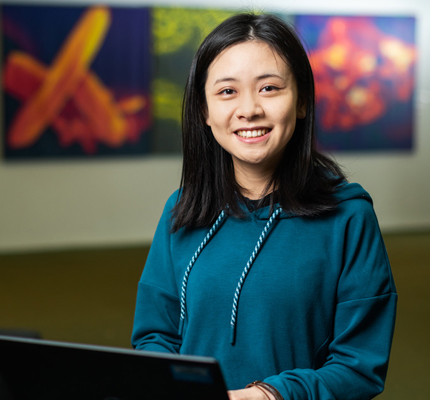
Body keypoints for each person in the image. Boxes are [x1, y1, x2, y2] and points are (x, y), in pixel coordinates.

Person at [131, 12, 397, 400]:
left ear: (302, 101)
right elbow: (155, 335)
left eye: (269, 88)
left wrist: (267, 396)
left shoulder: (349, 216)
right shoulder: (182, 210)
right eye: (227, 92)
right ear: (204, 111)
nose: (249, 109)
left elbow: (360, 367)